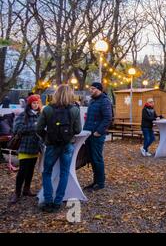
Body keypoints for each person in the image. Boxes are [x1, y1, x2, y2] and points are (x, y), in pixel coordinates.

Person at [36, 85, 81, 213]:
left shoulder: (47, 109)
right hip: (67, 145)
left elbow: (38, 128)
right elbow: (78, 130)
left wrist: (47, 137)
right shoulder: (74, 110)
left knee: (47, 172)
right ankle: (58, 202)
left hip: (51, 145)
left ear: (55, 94)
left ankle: (48, 200)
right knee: (64, 172)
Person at [9, 95, 43, 204]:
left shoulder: (40, 115)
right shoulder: (23, 115)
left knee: (30, 170)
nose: (35, 105)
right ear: (29, 104)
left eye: (37, 103)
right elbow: (17, 129)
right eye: (33, 103)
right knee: (22, 170)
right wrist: (34, 126)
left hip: (35, 146)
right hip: (24, 146)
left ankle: (26, 189)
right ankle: (17, 192)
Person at [83, 82, 113, 191]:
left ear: (99, 89)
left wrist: (98, 132)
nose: (91, 90)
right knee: (91, 158)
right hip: (88, 134)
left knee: (97, 158)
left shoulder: (104, 101)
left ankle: (100, 183)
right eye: (90, 88)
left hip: (96, 135)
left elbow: (108, 118)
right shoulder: (92, 101)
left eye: (93, 89)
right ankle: (95, 181)